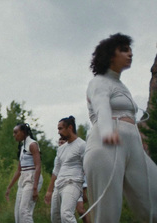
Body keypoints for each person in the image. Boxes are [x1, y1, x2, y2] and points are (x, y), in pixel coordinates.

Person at [84, 33, 157, 222]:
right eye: (124, 50)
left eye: (130, 50)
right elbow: (101, 106)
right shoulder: (98, 82)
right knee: (107, 214)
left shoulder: (120, 85)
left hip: (134, 147)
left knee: (153, 202)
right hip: (106, 144)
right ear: (110, 55)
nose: (130, 54)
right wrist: (107, 131)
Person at [44, 116, 86, 223]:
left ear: (70, 128)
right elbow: (56, 171)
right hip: (58, 186)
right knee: (55, 218)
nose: (58, 132)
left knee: (66, 215)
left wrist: (86, 189)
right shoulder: (61, 149)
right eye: (58, 129)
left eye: (60, 128)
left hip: (73, 183)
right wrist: (49, 191)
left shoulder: (82, 145)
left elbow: (87, 167)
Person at [5, 123, 43, 223]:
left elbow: (38, 166)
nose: (14, 135)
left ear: (23, 132)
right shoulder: (23, 147)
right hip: (23, 179)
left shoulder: (32, 144)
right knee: (17, 212)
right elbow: (19, 170)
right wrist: (9, 187)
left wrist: (35, 188)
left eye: (16, 132)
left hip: (32, 178)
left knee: (24, 211)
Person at [57, 137, 90, 223]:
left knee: (80, 210)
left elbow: (84, 170)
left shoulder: (78, 148)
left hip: (74, 183)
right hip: (61, 185)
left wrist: (84, 190)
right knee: (64, 212)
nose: (60, 143)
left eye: (62, 141)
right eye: (59, 142)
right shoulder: (60, 154)